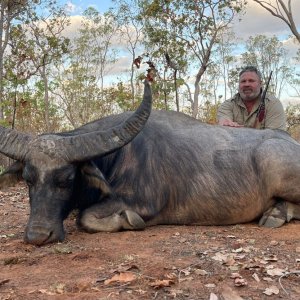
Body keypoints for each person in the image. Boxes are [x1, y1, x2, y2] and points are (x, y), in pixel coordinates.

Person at [217, 66, 286, 130]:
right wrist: (225, 122)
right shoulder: (228, 104)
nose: (247, 84)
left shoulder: (273, 104)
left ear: (260, 84)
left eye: (251, 81)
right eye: (243, 81)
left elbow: (274, 137)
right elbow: (224, 120)